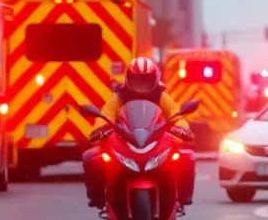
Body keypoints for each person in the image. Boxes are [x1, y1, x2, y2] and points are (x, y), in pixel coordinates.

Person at [82, 56, 196, 211]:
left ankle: (183, 197)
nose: (141, 86)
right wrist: (100, 131)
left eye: (146, 81)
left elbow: (176, 114)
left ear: (155, 80)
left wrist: (180, 131)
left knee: (186, 157)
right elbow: (105, 116)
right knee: (90, 157)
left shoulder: (161, 96)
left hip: (155, 140)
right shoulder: (119, 97)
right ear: (128, 80)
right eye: (137, 81)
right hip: (125, 140)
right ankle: (98, 198)